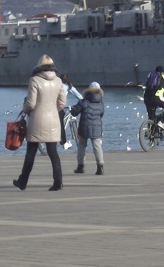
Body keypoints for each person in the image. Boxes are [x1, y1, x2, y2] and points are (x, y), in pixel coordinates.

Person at [13, 54, 66, 191]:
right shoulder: (59, 81)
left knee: (31, 152)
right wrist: (54, 111)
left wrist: (24, 110)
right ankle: (58, 182)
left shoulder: (34, 80)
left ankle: (23, 181)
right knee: (53, 152)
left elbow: (31, 103)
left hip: (37, 119)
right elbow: (62, 103)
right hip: (53, 120)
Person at [73, 81, 105, 175]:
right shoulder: (101, 103)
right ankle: (100, 167)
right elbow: (101, 114)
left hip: (84, 126)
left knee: (82, 146)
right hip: (96, 127)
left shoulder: (83, 101)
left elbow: (75, 112)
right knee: (97, 146)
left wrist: (72, 109)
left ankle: (80, 166)